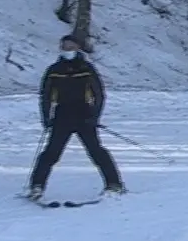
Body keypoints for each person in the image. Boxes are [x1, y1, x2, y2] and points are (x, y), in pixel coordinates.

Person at [27, 34, 125, 200]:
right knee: (51, 153)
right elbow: (46, 96)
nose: (67, 50)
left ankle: (114, 184)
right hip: (62, 115)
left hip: (84, 114)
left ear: (78, 48)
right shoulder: (54, 70)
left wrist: (95, 116)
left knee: (96, 151)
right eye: (64, 47)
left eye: (71, 47)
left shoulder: (86, 69)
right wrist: (46, 118)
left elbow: (99, 94)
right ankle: (37, 186)